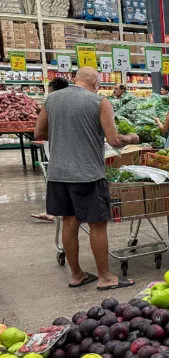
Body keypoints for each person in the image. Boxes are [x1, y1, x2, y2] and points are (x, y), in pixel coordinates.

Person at [34, 66, 139, 290]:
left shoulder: (51, 99)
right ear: (96, 84)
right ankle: (105, 277)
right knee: (97, 225)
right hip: (87, 174)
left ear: (75, 79)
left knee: (69, 222)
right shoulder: (100, 102)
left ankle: (77, 275)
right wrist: (132, 137)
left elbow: (39, 133)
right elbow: (114, 140)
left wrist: (64, 133)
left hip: (58, 174)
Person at [31, 77, 70, 223]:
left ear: (52, 90)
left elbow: (39, 133)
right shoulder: (74, 102)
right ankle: (53, 211)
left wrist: (55, 134)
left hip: (58, 147)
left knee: (57, 178)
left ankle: (53, 211)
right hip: (73, 150)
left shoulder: (51, 102)